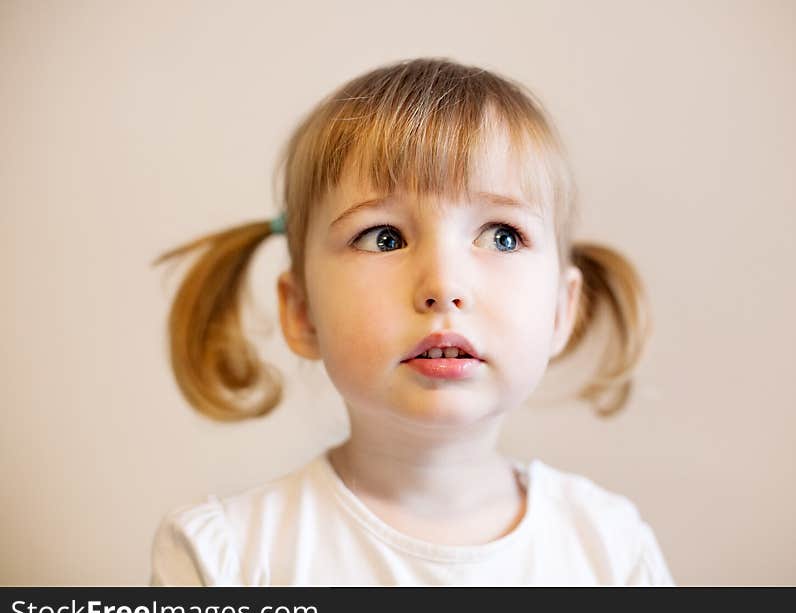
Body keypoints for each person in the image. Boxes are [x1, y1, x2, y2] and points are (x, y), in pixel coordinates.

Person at [149, 57, 674, 586]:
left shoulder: (610, 547)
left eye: (502, 236)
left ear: (562, 311)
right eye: (384, 237)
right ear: (302, 312)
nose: (443, 286)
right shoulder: (230, 560)